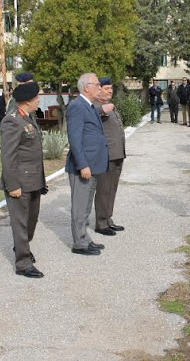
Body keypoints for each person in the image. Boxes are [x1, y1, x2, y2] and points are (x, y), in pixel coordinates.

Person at [0, 81, 48, 278]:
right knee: (20, 223)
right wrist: (13, 185)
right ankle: (23, 264)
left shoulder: (28, 117)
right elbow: (8, 156)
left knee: (31, 221)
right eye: (37, 98)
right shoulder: (11, 121)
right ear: (28, 101)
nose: (38, 101)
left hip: (34, 180)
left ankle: (22, 247)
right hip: (19, 182)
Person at [65, 73, 109, 255]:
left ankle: (85, 237)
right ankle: (79, 243)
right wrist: (82, 165)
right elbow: (75, 140)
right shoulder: (76, 106)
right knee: (79, 206)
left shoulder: (89, 105)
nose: (100, 87)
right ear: (86, 87)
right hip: (83, 167)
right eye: (97, 84)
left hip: (92, 166)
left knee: (86, 206)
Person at [93, 77, 126, 236]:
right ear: (98, 90)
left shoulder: (110, 106)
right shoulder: (96, 106)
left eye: (111, 88)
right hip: (106, 156)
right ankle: (100, 223)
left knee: (112, 189)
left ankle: (108, 219)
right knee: (104, 190)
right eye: (106, 89)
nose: (110, 91)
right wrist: (102, 110)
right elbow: (90, 115)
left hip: (117, 154)